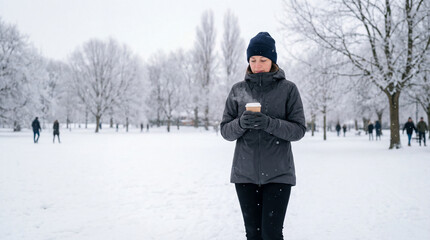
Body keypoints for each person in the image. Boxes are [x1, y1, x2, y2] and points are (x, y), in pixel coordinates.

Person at [220, 32, 306, 240]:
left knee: (271, 234)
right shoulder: (238, 90)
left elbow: (298, 130)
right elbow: (225, 130)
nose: (257, 64)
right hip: (245, 174)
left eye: (263, 60)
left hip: (279, 174)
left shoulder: (288, 89)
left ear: (273, 61)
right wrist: (240, 123)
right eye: (253, 60)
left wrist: (270, 123)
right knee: (253, 234)